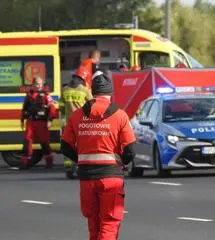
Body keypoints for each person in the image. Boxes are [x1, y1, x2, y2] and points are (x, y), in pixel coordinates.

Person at [61, 70, 136, 240]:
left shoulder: (76, 116)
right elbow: (130, 149)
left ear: (93, 92)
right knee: (109, 224)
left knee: (93, 225)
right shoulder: (120, 116)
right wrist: (122, 162)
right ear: (110, 93)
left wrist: (80, 159)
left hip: (87, 178)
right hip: (110, 177)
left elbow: (65, 147)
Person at [61, 66, 93, 178]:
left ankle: (68, 167)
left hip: (68, 123)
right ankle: (79, 167)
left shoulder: (65, 89)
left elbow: (61, 106)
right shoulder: (84, 90)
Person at [20, 77, 56, 169]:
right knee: (27, 141)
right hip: (31, 121)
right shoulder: (28, 95)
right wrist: (22, 120)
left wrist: (50, 120)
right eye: (37, 84)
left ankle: (49, 162)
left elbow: (52, 109)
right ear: (33, 85)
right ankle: (24, 163)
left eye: (40, 84)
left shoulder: (46, 95)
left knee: (44, 142)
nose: (39, 86)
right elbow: (24, 109)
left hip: (42, 122)